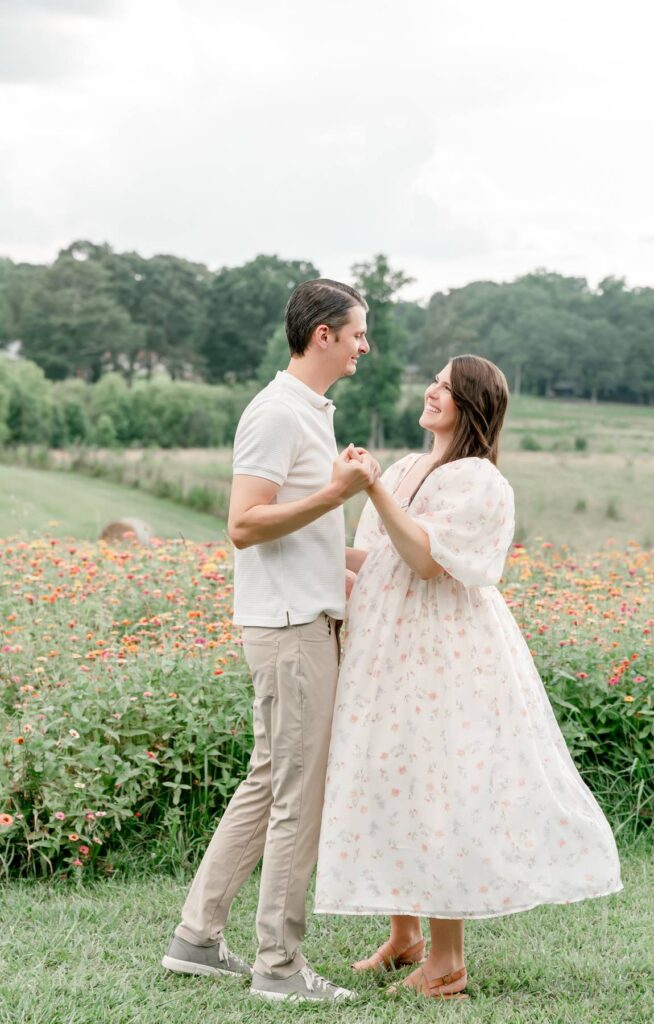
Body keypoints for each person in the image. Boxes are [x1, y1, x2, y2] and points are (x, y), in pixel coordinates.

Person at [314, 354, 622, 1000]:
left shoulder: (480, 482)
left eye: (445, 387)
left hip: (444, 652)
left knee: (436, 787)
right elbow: (375, 559)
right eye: (433, 380)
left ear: (470, 405)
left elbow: (426, 562)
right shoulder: (404, 468)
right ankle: (404, 937)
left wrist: (371, 491)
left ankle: (446, 963)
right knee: (387, 774)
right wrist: (296, 544)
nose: (430, 390)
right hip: (387, 647)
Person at [163, 279, 380, 1003]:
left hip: (301, 621)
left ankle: (196, 937)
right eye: (356, 332)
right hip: (290, 631)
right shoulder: (276, 413)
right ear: (322, 333)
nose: (363, 345)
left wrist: (383, 561)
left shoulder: (311, 414)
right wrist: (336, 493)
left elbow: (306, 532)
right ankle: (279, 969)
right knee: (297, 797)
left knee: (267, 785)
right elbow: (244, 523)